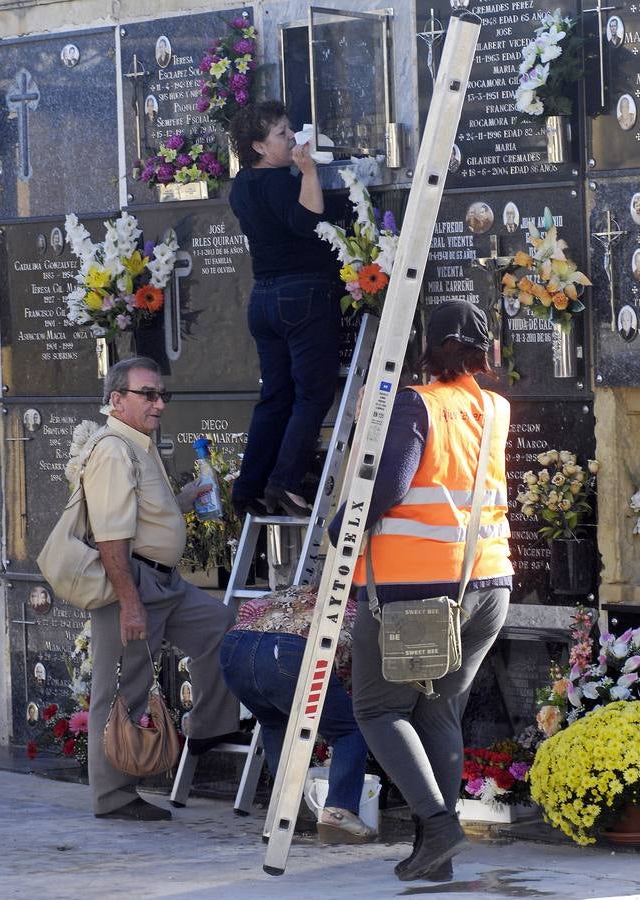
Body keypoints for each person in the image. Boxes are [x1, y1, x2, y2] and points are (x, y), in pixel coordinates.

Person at [330, 300, 512, 882]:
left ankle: (437, 826)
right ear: (482, 351)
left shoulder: (418, 404)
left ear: (427, 347)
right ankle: (434, 848)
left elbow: (388, 485)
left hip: (414, 592)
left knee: (379, 708)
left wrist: (339, 530)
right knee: (439, 709)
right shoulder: (496, 408)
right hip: (488, 582)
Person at [83, 356, 242, 821]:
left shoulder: (139, 444)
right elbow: (111, 535)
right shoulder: (113, 449)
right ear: (117, 400)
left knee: (221, 626)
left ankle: (208, 727)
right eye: (147, 395)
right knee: (122, 687)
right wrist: (129, 602)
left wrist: (184, 500)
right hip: (132, 583)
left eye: (161, 395)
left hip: (164, 582)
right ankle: (114, 797)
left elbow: (143, 514)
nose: (159, 404)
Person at [227, 100, 342, 518]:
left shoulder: (241, 184)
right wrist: (309, 172)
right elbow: (307, 221)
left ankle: (248, 486)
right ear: (258, 145)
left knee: (274, 396)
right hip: (302, 294)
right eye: (281, 133)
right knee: (312, 393)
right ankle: (286, 482)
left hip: (263, 298)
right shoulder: (278, 180)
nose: (293, 137)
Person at [220, 585, 376, 843]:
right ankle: (339, 811)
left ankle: (284, 814)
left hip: (234, 648)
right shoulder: (357, 610)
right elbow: (351, 673)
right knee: (350, 729)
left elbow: (247, 610)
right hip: (291, 652)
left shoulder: (298, 590)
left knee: (275, 724)